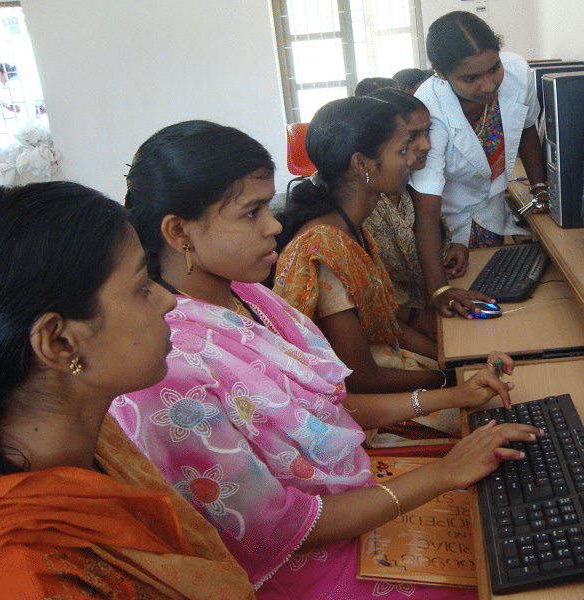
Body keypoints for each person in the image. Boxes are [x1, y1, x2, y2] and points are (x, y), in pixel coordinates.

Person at [114, 119, 543, 599]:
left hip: (355, 498)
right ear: (178, 232)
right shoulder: (170, 369)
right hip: (309, 564)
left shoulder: (248, 295)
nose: (273, 224)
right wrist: (444, 474)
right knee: (514, 573)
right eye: (251, 212)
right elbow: (278, 530)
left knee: (521, 515)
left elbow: (327, 412)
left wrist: (456, 393)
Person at [0, 182, 255, 599]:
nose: (166, 301)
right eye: (141, 287)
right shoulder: (33, 574)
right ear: (59, 342)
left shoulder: (95, 440)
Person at [273, 97, 455, 396]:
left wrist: (450, 360)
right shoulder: (323, 247)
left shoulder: (350, 228)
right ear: (361, 164)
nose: (411, 159)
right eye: (401, 150)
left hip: (395, 372)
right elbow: (362, 381)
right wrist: (450, 380)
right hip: (368, 408)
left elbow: (388, 325)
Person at [409, 11, 551, 318]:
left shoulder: (515, 72)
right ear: (442, 74)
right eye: (470, 78)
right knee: (471, 298)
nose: (488, 85)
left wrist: (540, 188)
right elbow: (427, 210)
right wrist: (439, 290)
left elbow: (526, 126)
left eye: (493, 68)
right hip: (448, 223)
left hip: (492, 205)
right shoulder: (430, 109)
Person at [363, 86, 469, 338]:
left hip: (429, 305)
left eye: (428, 131)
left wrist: (454, 247)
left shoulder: (411, 185)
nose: (427, 145)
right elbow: (377, 305)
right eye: (412, 136)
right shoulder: (363, 205)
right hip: (398, 327)